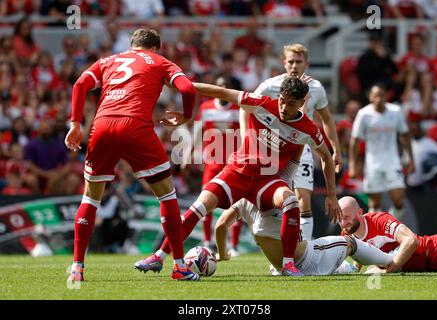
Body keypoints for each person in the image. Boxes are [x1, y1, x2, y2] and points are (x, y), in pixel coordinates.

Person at [134, 76, 342, 276]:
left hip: (266, 179)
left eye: (291, 103)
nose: (284, 107)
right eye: (282, 101)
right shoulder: (261, 104)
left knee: (290, 201)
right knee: (197, 208)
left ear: (302, 102)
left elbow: (326, 156)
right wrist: (181, 85)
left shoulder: (308, 129)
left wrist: (331, 196)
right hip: (237, 173)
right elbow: (221, 91)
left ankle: (288, 265)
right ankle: (158, 257)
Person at [65, 28, 200, 282]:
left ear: (132, 45)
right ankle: (180, 267)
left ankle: (77, 269)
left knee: (90, 199)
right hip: (136, 126)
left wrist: (74, 123)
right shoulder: (161, 62)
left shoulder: (108, 61)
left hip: (102, 126)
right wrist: (186, 115)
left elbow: (80, 84)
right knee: (167, 195)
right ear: (156, 47)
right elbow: (189, 90)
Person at [240, 43, 342, 241]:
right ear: (283, 63)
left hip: (301, 148)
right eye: (291, 62)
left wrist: (336, 149)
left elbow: (328, 119)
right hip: (274, 148)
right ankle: (279, 247)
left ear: (307, 63)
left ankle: (305, 249)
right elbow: (245, 107)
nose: (294, 66)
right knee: (276, 199)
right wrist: (247, 137)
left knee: (303, 198)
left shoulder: (316, 88)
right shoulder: (270, 86)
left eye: (299, 62)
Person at [214, 198, 393, 275]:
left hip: (283, 267)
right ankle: (391, 261)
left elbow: (221, 225)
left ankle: (387, 262)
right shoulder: (279, 190)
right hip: (308, 259)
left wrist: (222, 254)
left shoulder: (244, 200)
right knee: (350, 242)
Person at [183, 76, 241, 252]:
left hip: (233, 164)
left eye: (226, 85)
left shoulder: (238, 108)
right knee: (205, 201)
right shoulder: (206, 108)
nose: (223, 88)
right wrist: (187, 153)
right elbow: (197, 132)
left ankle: (235, 245)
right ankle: (208, 241)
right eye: (220, 85)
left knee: (236, 205)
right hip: (213, 164)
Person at [349, 84, 415, 219]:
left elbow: (404, 135)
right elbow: (354, 141)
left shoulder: (396, 112)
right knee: (374, 203)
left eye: (381, 96)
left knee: (398, 200)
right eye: (375, 96)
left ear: (386, 97)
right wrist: (352, 165)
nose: (378, 99)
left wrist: (411, 159)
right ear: (370, 98)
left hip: (392, 161)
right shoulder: (364, 114)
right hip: (373, 163)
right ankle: (379, 232)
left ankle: (392, 225)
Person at [338, 196, 437, 273]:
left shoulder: (379, 221)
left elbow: (411, 241)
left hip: (436, 250)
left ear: (360, 212)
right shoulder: (347, 233)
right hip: (426, 267)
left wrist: (386, 271)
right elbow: (361, 253)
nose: (343, 223)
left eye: (347, 217)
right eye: (339, 219)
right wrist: (354, 268)